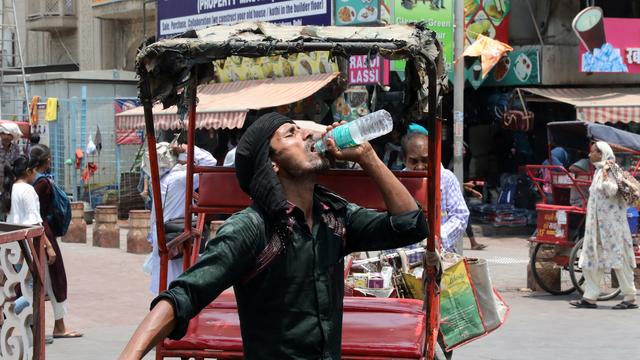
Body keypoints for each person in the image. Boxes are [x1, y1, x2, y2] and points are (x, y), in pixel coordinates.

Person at [119, 113, 428, 359]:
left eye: (303, 130)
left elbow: (411, 224)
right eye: (291, 133)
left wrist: (367, 156)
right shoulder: (252, 228)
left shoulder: (334, 217)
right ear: (272, 163)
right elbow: (182, 297)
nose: (308, 135)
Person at [1, 154, 81, 339]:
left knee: (26, 286)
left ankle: (31, 329)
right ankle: (9, 313)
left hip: (14, 246)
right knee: (32, 291)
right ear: (29, 171)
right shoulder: (28, 190)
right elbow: (35, 222)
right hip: (29, 245)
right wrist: (48, 246)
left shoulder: (10, 189)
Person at [569, 141, 637, 310]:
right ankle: (590, 297)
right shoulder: (599, 170)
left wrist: (607, 177)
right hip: (597, 226)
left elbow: (612, 190)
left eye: (593, 152)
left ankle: (629, 297)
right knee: (592, 260)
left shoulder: (610, 169)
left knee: (619, 260)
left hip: (613, 226)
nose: (589, 155)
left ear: (601, 153)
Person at [143, 142, 217, 293]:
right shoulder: (178, 179)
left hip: (163, 233)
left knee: (164, 281)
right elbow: (211, 163)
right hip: (176, 235)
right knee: (176, 282)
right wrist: (187, 147)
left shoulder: (159, 180)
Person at [30, 145, 82, 338]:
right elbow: (37, 213)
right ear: (45, 160)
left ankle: (55, 325)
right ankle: (56, 327)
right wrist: (48, 244)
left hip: (36, 233)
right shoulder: (40, 183)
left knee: (46, 280)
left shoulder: (32, 182)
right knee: (54, 279)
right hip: (42, 234)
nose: (51, 161)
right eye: (49, 158)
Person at [402, 131, 469, 254]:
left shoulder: (446, 178)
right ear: (404, 160)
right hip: (405, 260)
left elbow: (461, 215)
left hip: (440, 257)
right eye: (414, 161)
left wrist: (438, 238)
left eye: (425, 160)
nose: (420, 167)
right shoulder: (397, 182)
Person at [0, 122, 23, 194]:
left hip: (10, 182)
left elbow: (17, 164)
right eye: (4, 134)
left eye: (9, 135)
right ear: (0, 135)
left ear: (13, 136)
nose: (6, 137)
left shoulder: (15, 148)